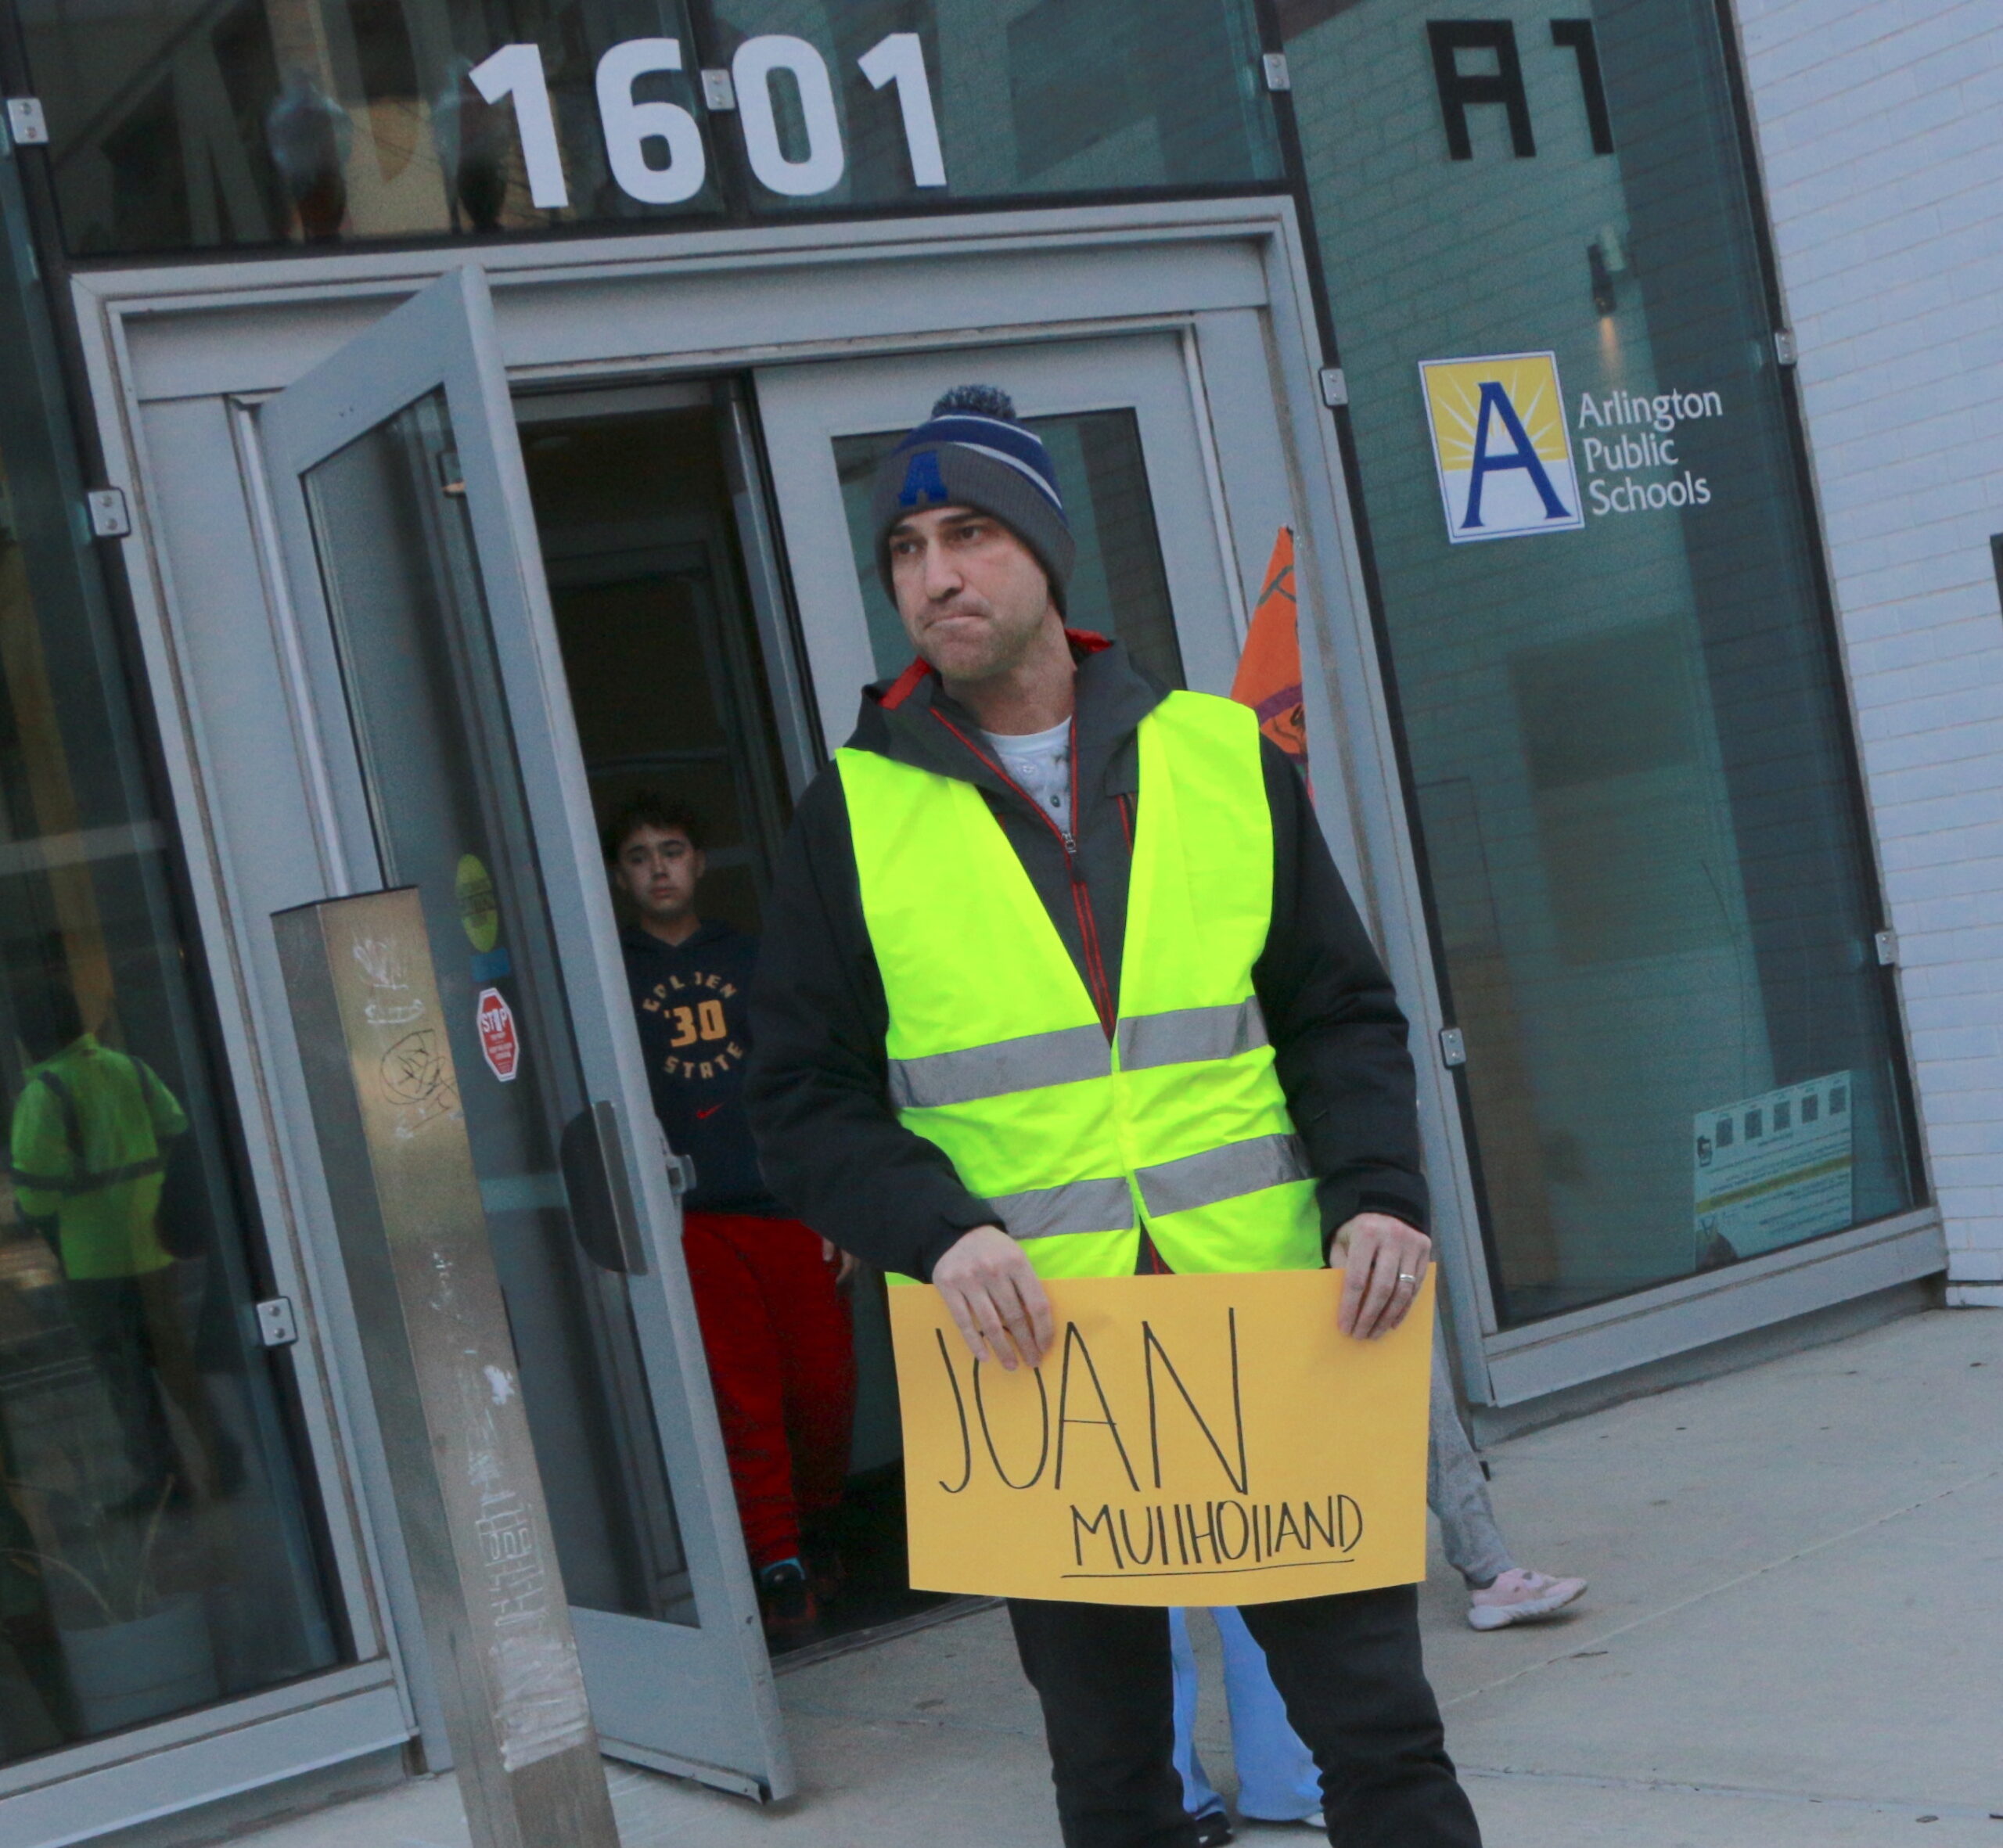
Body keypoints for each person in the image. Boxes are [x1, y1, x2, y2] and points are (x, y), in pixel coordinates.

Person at [746, 384, 1483, 1846]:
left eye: (969, 533)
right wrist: (940, 1233)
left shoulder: (1220, 755)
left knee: (1381, 1739)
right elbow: (798, 1099)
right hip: (1037, 1366)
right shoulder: (856, 811)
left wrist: (1378, 1194)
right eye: (904, 547)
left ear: (1045, 551)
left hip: (1271, 1329)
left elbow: (1340, 1012)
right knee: (1112, 1779)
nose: (934, 573)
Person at [606, 795, 857, 1645]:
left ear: (701, 862)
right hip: (693, 1221)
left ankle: (817, 1525)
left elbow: (812, 1079)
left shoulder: (755, 959)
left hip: (786, 1207)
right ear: (617, 874)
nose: (658, 868)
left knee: (821, 1388)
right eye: (639, 856)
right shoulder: (610, 977)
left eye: (672, 850)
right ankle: (777, 1560)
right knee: (744, 1398)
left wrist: (832, 1196)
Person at [1171, 1336, 1588, 1842]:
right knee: (1148, 1568)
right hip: (1117, 1303)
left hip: (1263, 1300)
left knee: (1269, 1548)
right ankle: (1231, 1789)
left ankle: (1250, 1786)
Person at [9, 976, 239, 1514]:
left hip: (94, 1259)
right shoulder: (128, 1068)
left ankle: (163, 1482)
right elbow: (175, 1127)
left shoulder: (45, 1093)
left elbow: (36, 1194)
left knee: (125, 1375)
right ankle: (222, 1455)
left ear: (29, 1037)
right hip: (152, 1246)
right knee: (174, 1363)